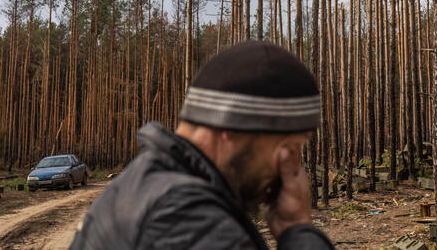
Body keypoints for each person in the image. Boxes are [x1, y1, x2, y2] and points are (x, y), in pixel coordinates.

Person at [69, 40, 334, 249]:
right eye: (289, 148)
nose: (292, 168)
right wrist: (298, 228)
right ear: (233, 126)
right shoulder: (187, 221)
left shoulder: (148, 184)